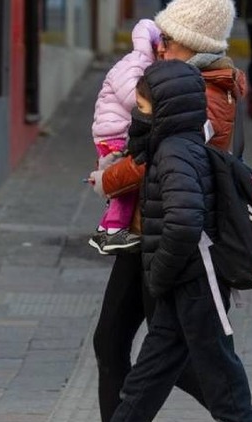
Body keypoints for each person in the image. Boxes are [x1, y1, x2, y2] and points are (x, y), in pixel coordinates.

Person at [85, 0, 252, 422]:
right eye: (160, 36)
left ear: (196, 45)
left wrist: (110, 178)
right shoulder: (181, 82)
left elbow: (172, 164)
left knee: (181, 359)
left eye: (170, 39)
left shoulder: (205, 96)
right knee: (120, 344)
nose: (160, 46)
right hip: (150, 230)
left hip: (175, 243)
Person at [37, 59, 252, 422]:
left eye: (144, 102)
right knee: (143, 388)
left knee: (227, 393)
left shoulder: (176, 154)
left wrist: (159, 271)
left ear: (165, 106)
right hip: (182, 285)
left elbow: (185, 224)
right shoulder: (172, 147)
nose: (138, 111)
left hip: (196, 285)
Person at [89, 19, 161, 255]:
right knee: (124, 186)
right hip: (114, 133)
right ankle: (114, 231)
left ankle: (104, 228)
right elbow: (133, 97)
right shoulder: (135, 63)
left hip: (112, 130)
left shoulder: (140, 62)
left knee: (120, 180)